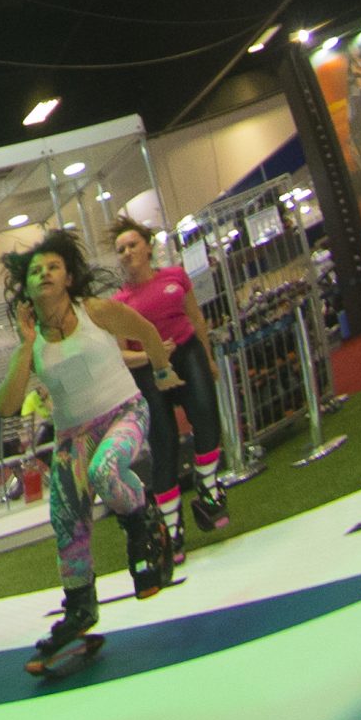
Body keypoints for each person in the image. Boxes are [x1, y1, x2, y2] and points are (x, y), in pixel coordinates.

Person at [0, 231, 179, 676]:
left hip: (124, 413)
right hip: (73, 436)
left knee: (105, 470)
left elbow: (147, 332)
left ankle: (142, 523)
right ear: (27, 286)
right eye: (36, 270)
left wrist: (163, 372)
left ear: (69, 277)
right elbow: (5, 406)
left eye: (53, 267)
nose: (44, 273)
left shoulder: (94, 311)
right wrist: (25, 346)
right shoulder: (31, 341)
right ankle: (80, 607)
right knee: (65, 518)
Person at [107, 219, 229, 556]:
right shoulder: (118, 303)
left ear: (148, 247)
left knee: (206, 416)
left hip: (188, 352)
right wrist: (150, 355)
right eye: (121, 249)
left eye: (133, 245)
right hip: (148, 371)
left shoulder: (175, 277)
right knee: (163, 445)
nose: (127, 252)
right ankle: (171, 529)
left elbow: (196, 318)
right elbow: (120, 354)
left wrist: (208, 357)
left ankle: (208, 484)